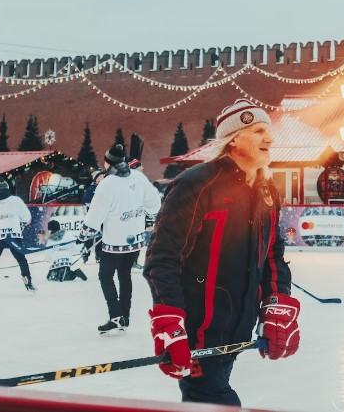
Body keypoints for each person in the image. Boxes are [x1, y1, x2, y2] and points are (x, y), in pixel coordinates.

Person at [144, 99, 298, 406]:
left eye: (268, 130)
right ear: (234, 138)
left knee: (207, 400)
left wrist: (277, 305)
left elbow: (272, 256)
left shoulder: (267, 191)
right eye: (257, 131)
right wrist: (170, 323)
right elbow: (163, 258)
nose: (268, 138)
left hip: (237, 327)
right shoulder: (197, 184)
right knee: (214, 400)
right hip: (198, 332)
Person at [79, 143, 161, 334]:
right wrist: (147, 214)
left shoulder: (107, 184)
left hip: (114, 243)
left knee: (105, 276)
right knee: (124, 276)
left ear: (108, 163)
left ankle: (116, 316)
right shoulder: (139, 178)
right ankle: (124, 316)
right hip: (135, 241)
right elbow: (154, 203)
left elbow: (95, 215)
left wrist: (84, 233)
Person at [0, 179, 34, 293]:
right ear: (7, 188)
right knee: (21, 259)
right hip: (13, 235)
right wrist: (23, 222)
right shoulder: (16, 200)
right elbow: (27, 218)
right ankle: (27, 281)